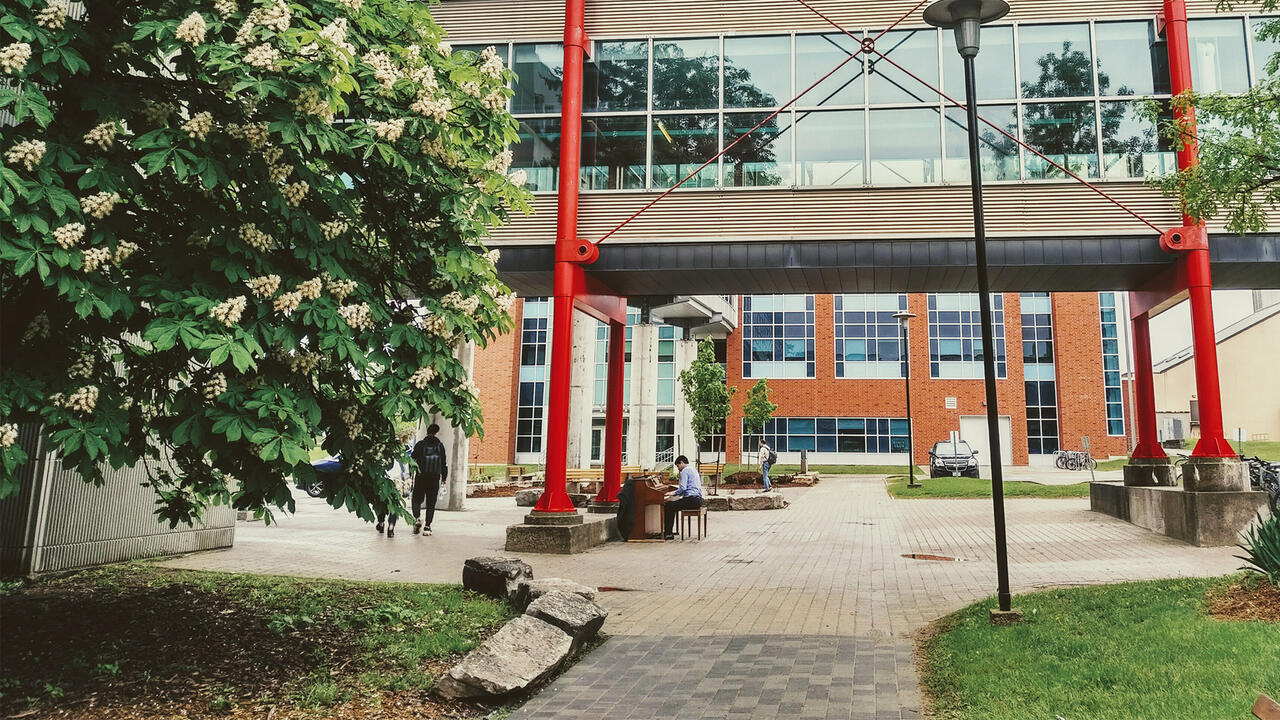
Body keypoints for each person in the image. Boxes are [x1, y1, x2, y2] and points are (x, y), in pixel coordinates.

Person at [410, 423, 448, 536]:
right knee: (431, 503)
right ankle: (427, 527)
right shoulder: (440, 446)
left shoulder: (420, 445)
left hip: (421, 477)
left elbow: (412, 460)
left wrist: (411, 474)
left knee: (416, 499)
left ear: (427, 432)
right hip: (434, 478)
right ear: (437, 433)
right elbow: (443, 463)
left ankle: (417, 518)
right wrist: (444, 478)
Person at [377, 441, 413, 537]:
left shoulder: (383, 455)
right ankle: (391, 527)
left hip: (384, 482)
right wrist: (407, 484)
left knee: (382, 503)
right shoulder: (402, 457)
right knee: (394, 505)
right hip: (398, 484)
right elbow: (406, 472)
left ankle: (381, 523)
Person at [663, 455, 703, 540]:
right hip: (698, 500)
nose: (678, 468)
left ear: (681, 462)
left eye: (678, 466)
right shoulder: (693, 469)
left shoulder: (685, 471)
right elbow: (686, 489)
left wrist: (672, 493)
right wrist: (676, 494)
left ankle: (668, 533)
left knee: (669, 506)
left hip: (691, 500)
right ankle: (669, 531)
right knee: (673, 504)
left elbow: (683, 488)